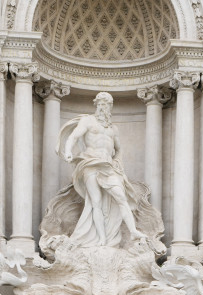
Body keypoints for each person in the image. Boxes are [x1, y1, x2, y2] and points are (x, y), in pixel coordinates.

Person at [59, 92, 149, 248]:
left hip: (108, 166)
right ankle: (102, 239)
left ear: (110, 107)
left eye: (105, 104)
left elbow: (119, 149)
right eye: (100, 104)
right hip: (90, 163)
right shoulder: (88, 121)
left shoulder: (113, 129)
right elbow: (73, 137)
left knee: (121, 197)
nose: (102, 107)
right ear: (96, 105)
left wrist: (117, 162)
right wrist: (68, 151)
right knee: (96, 202)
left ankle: (133, 230)